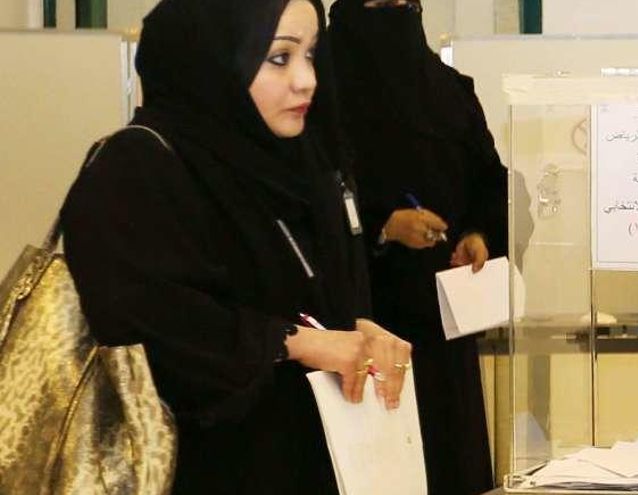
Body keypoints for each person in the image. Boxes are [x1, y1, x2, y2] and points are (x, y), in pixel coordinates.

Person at [60, 0, 412, 493]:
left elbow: (299, 287)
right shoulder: (138, 169)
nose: (306, 79)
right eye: (279, 58)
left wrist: (354, 330)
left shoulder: (302, 165)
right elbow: (146, 321)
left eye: (311, 55)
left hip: (313, 460)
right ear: (211, 58)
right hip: (196, 468)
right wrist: (299, 342)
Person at [328, 1, 509, 493]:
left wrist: (479, 236)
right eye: (379, 5)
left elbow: (490, 186)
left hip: (443, 330)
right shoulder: (319, 90)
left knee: (449, 464)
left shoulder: (449, 90)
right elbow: (307, 205)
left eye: (403, 4)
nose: (393, 12)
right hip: (356, 329)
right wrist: (383, 227)